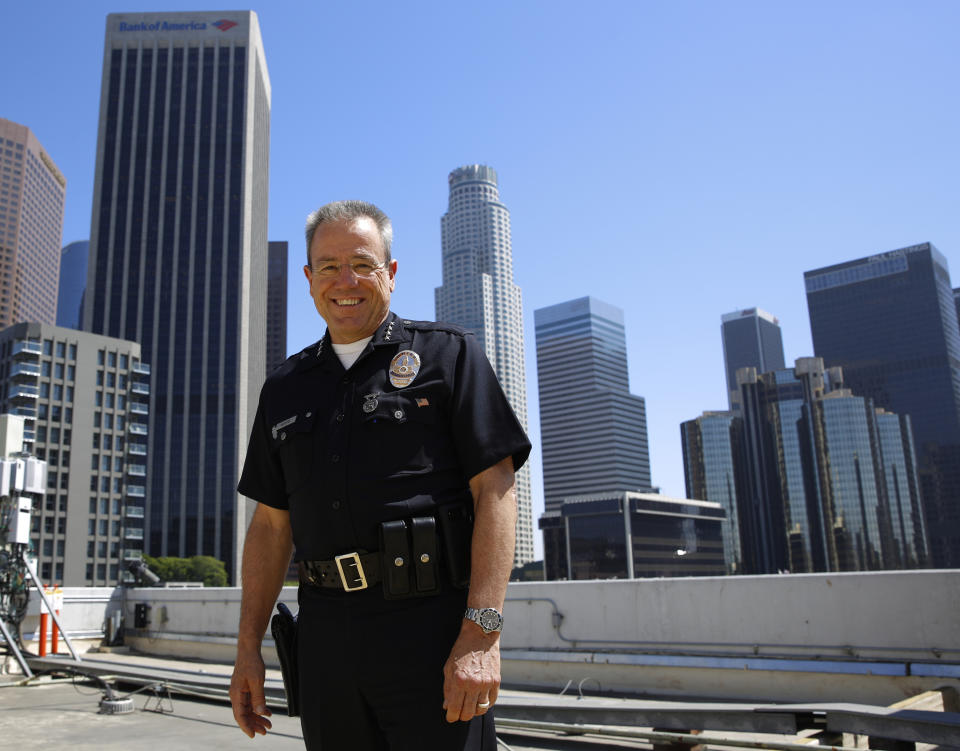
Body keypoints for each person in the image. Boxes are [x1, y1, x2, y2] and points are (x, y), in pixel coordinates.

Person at [229, 200, 531, 750]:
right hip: (324, 641)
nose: (345, 280)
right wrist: (248, 647)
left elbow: (496, 491)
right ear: (309, 279)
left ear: (390, 274)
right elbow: (272, 526)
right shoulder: (284, 387)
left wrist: (481, 635)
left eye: (363, 263)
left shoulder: (448, 357)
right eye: (328, 266)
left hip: (432, 634)